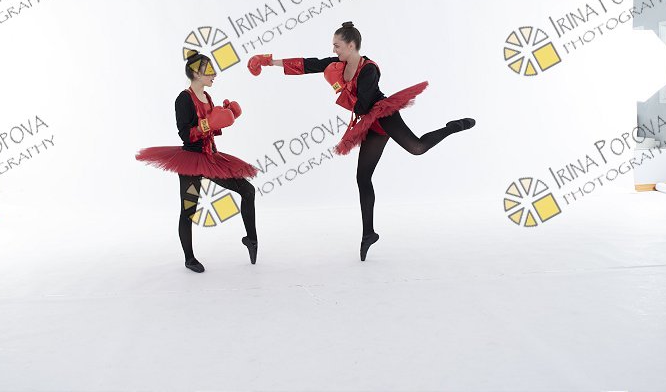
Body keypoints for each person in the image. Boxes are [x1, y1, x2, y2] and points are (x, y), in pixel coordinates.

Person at [247, 21, 475, 261]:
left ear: (351, 45)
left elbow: (363, 105)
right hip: (368, 122)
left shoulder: (369, 69)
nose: (334, 50)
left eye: (337, 46)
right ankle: (369, 233)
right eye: (333, 46)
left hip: (383, 114)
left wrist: (338, 84)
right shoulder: (338, 64)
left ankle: (453, 127)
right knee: (363, 177)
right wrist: (269, 62)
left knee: (417, 148)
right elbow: (307, 64)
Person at [136, 51, 258, 273]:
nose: (214, 74)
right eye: (209, 70)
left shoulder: (208, 97)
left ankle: (251, 239)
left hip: (211, 157)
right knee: (188, 210)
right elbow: (186, 134)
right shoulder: (183, 99)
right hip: (191, 162)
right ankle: (189, 258)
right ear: (196, 73)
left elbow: (212, 128)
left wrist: (228, 115)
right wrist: (209, 122)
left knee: (248, 191)